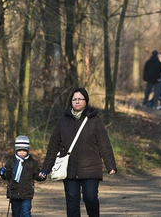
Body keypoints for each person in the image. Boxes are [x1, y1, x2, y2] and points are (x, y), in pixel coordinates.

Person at [41, 88, 117, 217]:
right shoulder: (63, 121)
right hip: (69, 169)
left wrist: (110, 165)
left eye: (80, 99)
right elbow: (53, 147)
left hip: (91, 168)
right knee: (72, 201)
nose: (77, 102)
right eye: (74, 99)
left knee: (90, 198)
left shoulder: (95, 120)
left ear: (86, 101)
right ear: (70, 101)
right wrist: (45, 169)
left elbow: (104, 144)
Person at [0, 135, 45, 217]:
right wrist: (3, 173)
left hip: (27, 193)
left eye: (24, 150)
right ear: (16, 150)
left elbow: (36, 175)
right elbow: (7, 176)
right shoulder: (11, 161)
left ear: (28, 150)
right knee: (16, 213)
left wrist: (41, 176)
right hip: (14, 192)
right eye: (19, 150)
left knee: (25, 213)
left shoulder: (32, 162)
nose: (22, 152)